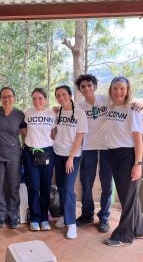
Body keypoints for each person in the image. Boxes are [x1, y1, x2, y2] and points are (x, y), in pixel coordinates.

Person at [104, 76, 143, 246]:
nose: (118, 91)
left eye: (122, 88)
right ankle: (138, 229)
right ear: (110, 90)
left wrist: (138, 163)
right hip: (112, 154)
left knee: (126, 197)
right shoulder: (109, 105)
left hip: (127, 156)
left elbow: (138, 138)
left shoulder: (133, 110)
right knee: (129, 195)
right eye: (115, 88)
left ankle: (123, 236)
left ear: (127, 90)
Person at [75, 74, 113, 233]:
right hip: (88, 147)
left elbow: (123, 104)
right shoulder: (79, 107)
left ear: (95, 86)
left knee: (106, 184)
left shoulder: (106, 100)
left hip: (107, 146)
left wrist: (135, 105)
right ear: (80, 89)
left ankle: (104, 217)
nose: (86, 88)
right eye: (83, 86)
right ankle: (87, 214)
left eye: (89, 85)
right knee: (86, 182)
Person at [53, 85, 88, 239]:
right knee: (60, 187)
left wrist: (71, 158)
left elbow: (80, 137)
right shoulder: (57, 113)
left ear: (70, 95)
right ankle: (63, 216)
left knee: (68, 188)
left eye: (64, 94)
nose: (61, 98)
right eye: (58, 95)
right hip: (57, 154)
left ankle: (71, 223)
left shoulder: (80, 113)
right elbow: (54, 133)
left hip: (72, 156)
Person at [0, 87, 25, 229]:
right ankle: (1, 216)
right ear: (0, 99)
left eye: (9, 96)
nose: (7, 99)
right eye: (4, 97)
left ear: (14, 98)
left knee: (13, 187)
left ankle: (13, 216)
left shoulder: (19, 114)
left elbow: (25, 132)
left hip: (14, 156)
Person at [22, 88, 55, 231]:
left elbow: (54, 132)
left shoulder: (53, 113)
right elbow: (23, 130)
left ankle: (44, 218)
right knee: (34, 187)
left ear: (45, 99)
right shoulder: (27, 113)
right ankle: (35, 218)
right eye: (34, 98)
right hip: (30, 153)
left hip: (47, 152)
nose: (37, 101)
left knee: (46, 187)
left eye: (40, 98)